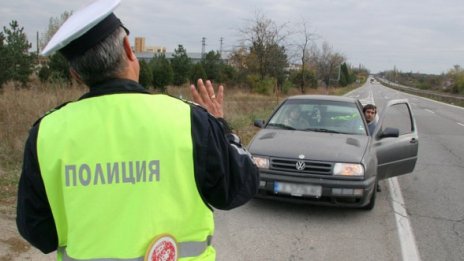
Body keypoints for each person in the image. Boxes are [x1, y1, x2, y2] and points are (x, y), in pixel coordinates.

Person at [16, 0, 259, 260]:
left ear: (76, 74)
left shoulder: (47, 133)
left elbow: (39, 232)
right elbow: (239, 187)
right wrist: (220, 125)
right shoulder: (190, 121)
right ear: (128, 49)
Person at [363, 103, 381, 192]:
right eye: (368, 112)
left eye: (372, 113)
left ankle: (375, 183)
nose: (370, 114)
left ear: (374, 115)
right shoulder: (356, 124)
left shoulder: (377, 128)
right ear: (363, 113)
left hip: (371, 151)